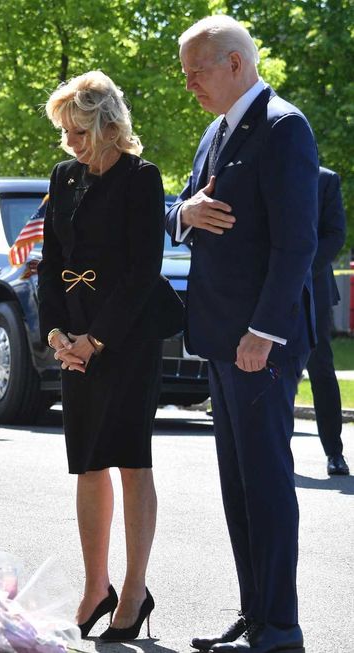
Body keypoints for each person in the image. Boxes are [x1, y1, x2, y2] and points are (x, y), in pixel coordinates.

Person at [168, 16, 318, 653]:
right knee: (239, 485)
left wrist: (263, 331)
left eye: (195, 71)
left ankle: (280, 623)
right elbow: (178, 202)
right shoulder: (216, 130)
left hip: (260, 343)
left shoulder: (284, 127)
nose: (190, 85)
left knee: (266, 481)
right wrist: (184, 213)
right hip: (222, 338)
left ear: (234, 63)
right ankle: (254, 614)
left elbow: (296, 244)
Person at [38, 70, 182, 643]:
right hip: (73, 340)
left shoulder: (142, 178)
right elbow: (49, 264)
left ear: (107, 123)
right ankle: (95, 587)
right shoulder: (64, 177)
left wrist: (95, 341)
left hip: (125, 340)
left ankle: (134, 588)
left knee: (129, 458)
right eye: (65, 132)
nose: (70, 142)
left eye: (79, 130)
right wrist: (57, 337)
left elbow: (145, 271)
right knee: (87, 461)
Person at [308, 167, 348, 476]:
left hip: (314, 288)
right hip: (264, 288)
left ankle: (334, 451)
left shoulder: (326, 180)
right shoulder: (264, 171)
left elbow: (335, 234)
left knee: (321, 369)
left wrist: (298, 268)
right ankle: (271, 453)